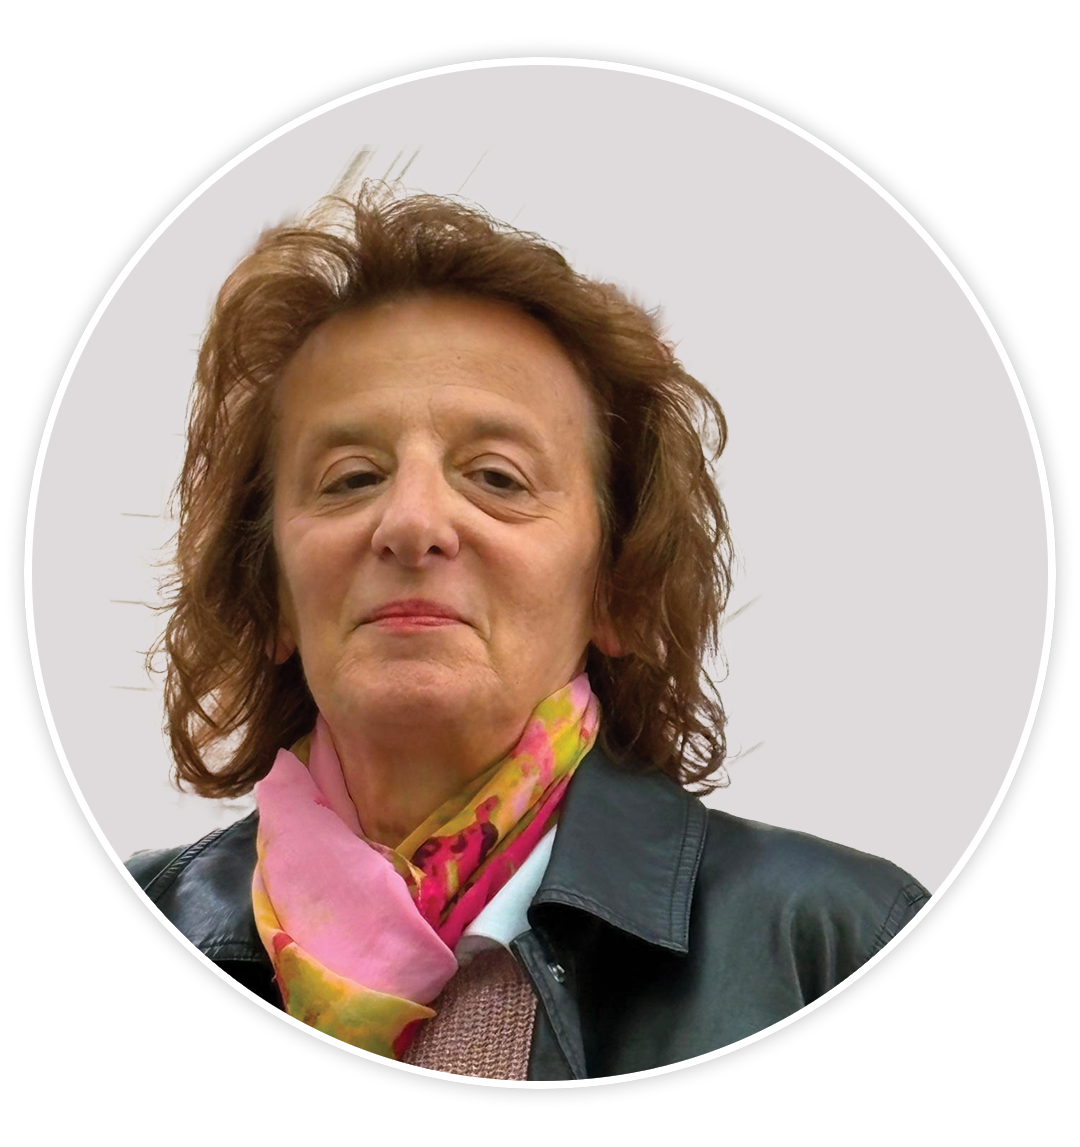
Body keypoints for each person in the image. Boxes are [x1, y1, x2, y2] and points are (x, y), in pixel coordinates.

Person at [125, 172, 930, 1082]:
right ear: (272, 593)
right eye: (351, 477)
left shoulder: (835, 947)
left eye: (497, 477)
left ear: (617, 590)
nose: (413, 523)